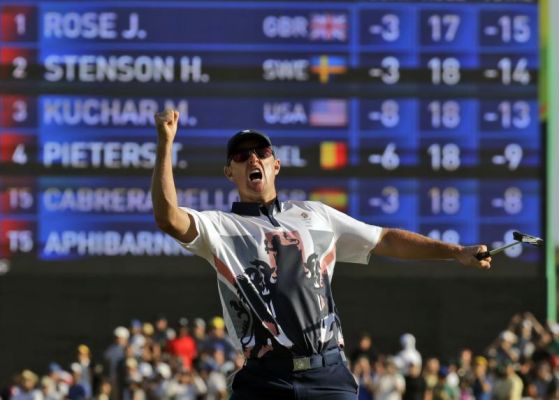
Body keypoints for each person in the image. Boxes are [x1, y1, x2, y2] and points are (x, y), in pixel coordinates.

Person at [151, 109, 492, 400]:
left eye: (262, 152)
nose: (253, 158)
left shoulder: (315, 216)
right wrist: (166, 144)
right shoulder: (221, 226)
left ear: (276, 165)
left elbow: (385, 239)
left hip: (327, 374)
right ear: (230, 172)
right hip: (264, 379)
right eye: (241, 156)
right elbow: (169, 217)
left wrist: (456, 251)